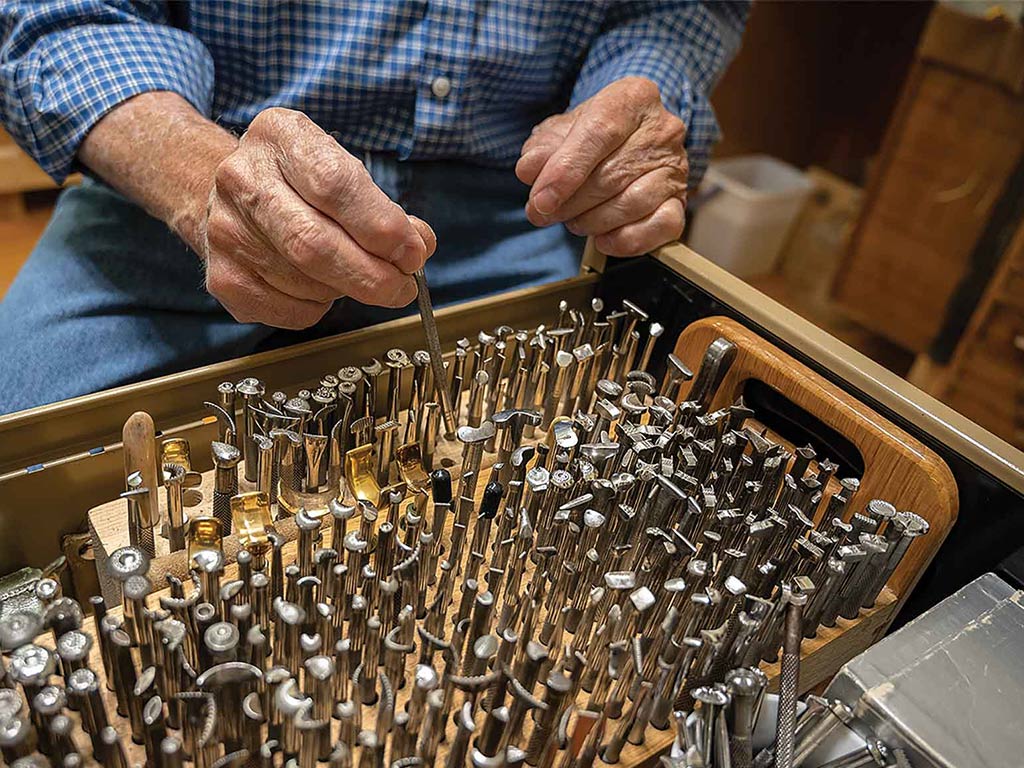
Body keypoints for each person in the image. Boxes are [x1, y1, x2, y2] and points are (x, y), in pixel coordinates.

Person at [0, 1, 747, 414]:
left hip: (519, 200)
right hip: (201, 167)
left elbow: (682, 9)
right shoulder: (206, 175)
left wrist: (637, 90)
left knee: (627, 428)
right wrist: (202, 177)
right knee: (24, 462)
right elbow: (61, 12)